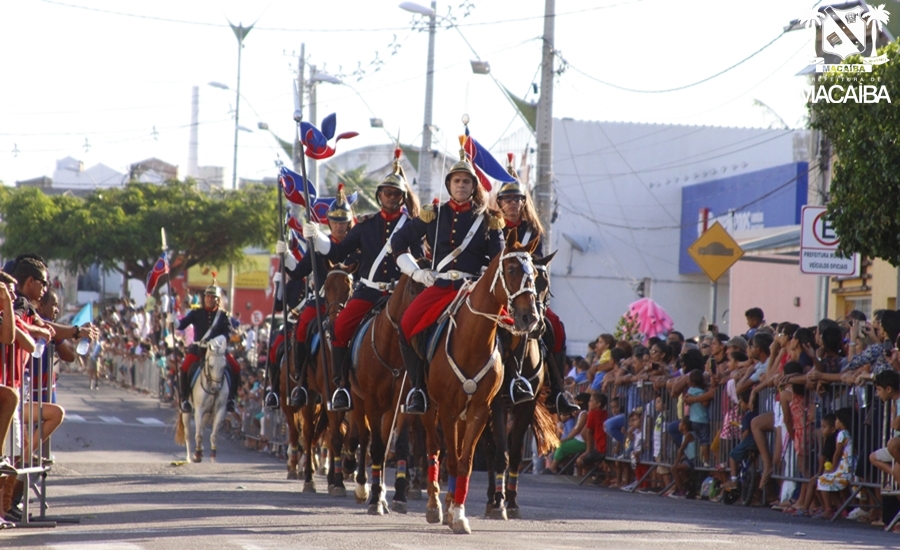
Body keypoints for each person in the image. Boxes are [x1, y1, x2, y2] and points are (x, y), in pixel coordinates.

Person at [390, 146, 505, 414]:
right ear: (449, 184)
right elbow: (398, 242)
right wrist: (417, 272)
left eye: (466, 181)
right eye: (457, 181)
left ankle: (511, 384)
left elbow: (499, 260)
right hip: (440, 287)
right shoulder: (434, 214)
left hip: (471, 290)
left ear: (473, 186)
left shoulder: (487, 221)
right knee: (406, 326)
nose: (461, 186)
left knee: (511, 332)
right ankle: (419, 388)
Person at [304, 151, 421, 411]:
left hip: (400, 293)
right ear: (379, 195)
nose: (391, 198)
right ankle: (342, 386)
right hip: (369, 291)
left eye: (396, 194)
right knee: (340, 327)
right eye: (387, 193)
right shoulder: (365, 226)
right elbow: (337, 253)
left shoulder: (410, 226)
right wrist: (319, 239)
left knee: (424, 329)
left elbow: (421, 258)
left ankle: (419, 389)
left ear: (402, 198)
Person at [495, 157, 577, 413]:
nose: (512, 204)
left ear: (523, 202)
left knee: (556, 328)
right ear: (499, 203)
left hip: (526, 294)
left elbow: (539, 265)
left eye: (517, 199)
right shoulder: (492, 229)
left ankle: (557, 391)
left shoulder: (533, 231)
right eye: (507, 199)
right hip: (498, 295)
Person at [272, 186, 359, 409]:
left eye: (343, 222)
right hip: (321, 300)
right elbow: (299, 272)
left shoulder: (357, 246)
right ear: (328, 222)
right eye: (335, 222)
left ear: (350, 223)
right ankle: (300, 382)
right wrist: (287, 255)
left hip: (350, 300)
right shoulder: (317, 245)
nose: (339, 226)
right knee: (301, 328)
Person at [176, 283, 240, 413]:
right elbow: (182, 325)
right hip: (200, 349)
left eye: (212, 297)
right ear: (204, 298)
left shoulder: (223, 316)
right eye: (207, 296)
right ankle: (185, 399)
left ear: (217, 299)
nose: (210, 299)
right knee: (184, 367)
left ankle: (231, 399)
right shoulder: (196, 313)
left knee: (236, 367)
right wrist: (174, 321)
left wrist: (218, 341)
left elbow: (228, 334)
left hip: (218, 350)